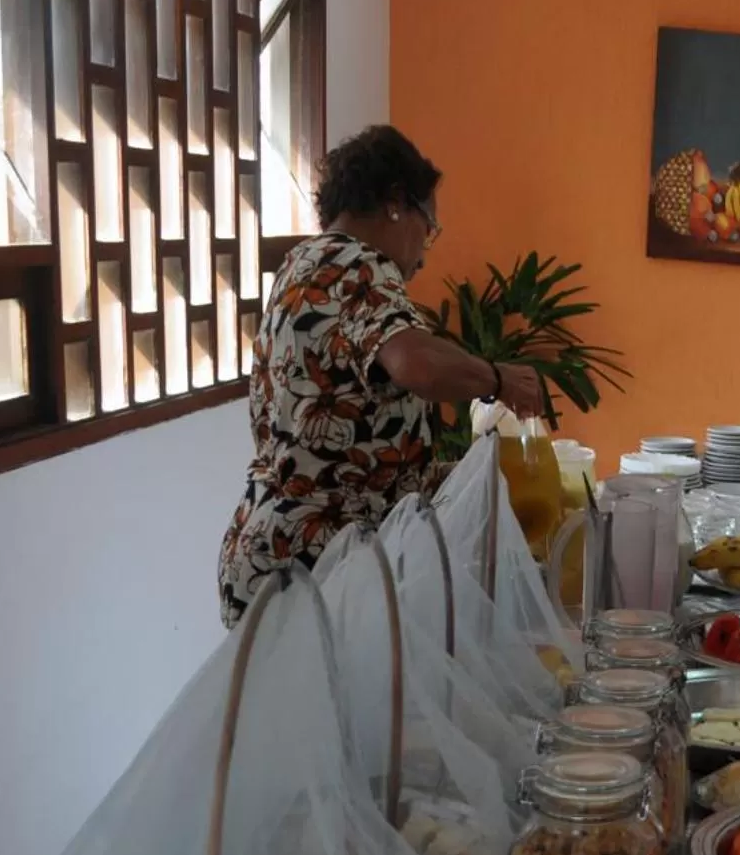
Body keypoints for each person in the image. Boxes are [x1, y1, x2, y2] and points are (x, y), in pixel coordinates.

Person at [218, 125, 546, 626]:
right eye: (428, 226)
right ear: (396, 203)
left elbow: (346, 432)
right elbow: (415, 363)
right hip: (319, 568)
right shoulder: (359, 267)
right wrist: (498, 379)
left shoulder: (302, 262)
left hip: (270, 550)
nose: (424, 254)